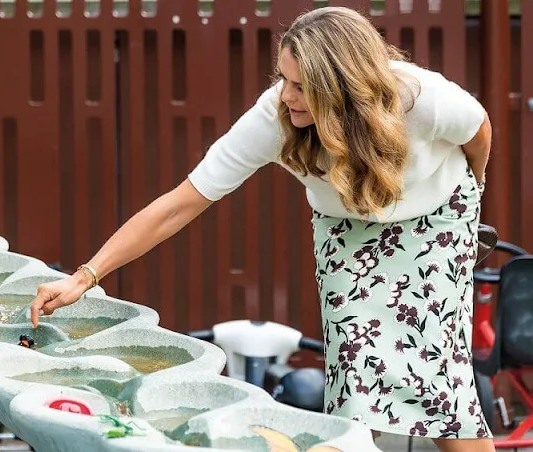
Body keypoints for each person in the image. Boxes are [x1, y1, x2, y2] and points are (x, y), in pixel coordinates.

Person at [30, 7, 493, 452]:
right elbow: (182, 202)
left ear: (343, 87)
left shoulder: (422, 99)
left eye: (301, 86)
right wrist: (84, 276)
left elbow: (478, 135)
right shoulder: (274, 118)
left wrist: (472, 202)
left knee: (437, 372)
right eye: (284, 80)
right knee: (355, 365)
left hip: (436, 222)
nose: (287, 95)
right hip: (347, 232)